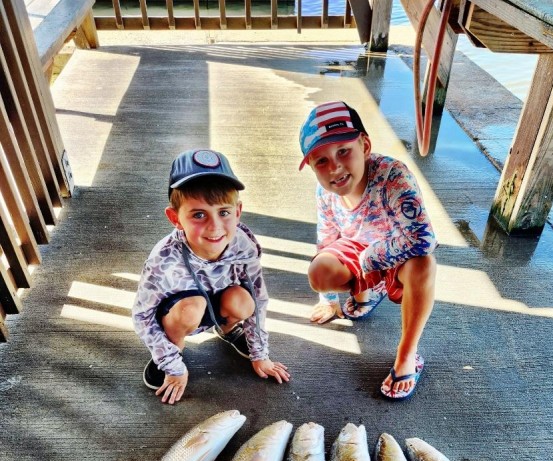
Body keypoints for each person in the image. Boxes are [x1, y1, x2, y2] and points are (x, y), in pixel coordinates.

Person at [299, 101, 437, 400]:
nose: (334, 166)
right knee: (319, 272)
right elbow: (328, 237)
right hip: (359, 248)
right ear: (311, 167)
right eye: (320, 161)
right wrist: (329, 300)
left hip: (399, 250)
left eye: (343, 151)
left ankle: (407, 355)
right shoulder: (325, 191)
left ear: (365, 145)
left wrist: (369, 260)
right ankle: (365, 293)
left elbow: (424, 239)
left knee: (424, 264)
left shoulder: (394, 176)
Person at [132, 148, 290, 404]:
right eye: (198, 214)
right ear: (175, 218)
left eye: (224, 212)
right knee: (190, 309)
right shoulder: (163, 259)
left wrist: (260, 353)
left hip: (220, 304)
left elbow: (259, 299)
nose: (215, 226)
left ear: (238, 212)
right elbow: (142, 315)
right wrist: (172, 364)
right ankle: (174, 349)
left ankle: (228, 330)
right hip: (181, 312)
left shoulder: (244, 245)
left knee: (244, 301)